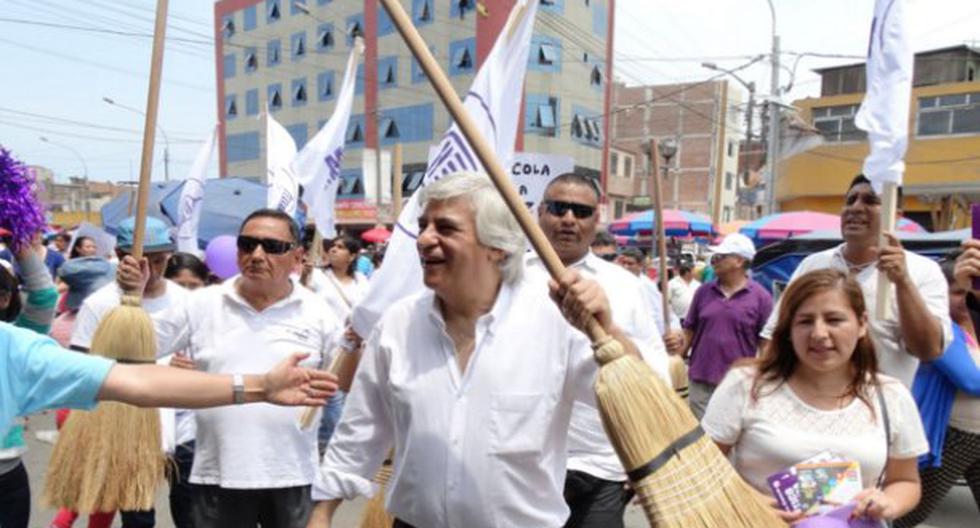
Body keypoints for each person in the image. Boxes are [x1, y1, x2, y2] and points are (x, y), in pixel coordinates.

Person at [308, 172, 637, 528]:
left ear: (496, 246)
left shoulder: (557, 323)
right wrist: (322, 514)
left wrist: (608, 330)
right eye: (423, 225)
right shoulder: (397, 326)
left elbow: (635, 395)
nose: (424, 239)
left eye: (445, 228)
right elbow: (361, 429)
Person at [121, 209, 341, 528]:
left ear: (297, 256)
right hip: (217, 475)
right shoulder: (203, 303)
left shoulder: (319, 312)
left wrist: (359, 342)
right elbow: (138, 347)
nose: (257, 255)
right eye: (247, 244)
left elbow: (343, 381)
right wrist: (133, 296)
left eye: (272, 246)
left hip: (293, 474)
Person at [702, 269, 928, 525]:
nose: (819, 334)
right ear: (788, 330)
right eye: (805, 321)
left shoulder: (891, 396)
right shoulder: (746, 385)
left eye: (834, 320)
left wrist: (888, 503)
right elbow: (700, 470)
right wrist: (748, 502)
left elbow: (906, 481)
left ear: (862, 324)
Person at [528, 173, 669, 528]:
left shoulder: (625, 286)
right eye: (559, 208)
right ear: (540, 211)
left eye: (581, 211)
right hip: (523, 462)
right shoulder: (505, 277)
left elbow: (655, 373)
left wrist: (643, 457)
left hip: (601, 465)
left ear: (596, 220)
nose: (569, 219)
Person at [761, 175, 950, 388]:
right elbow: (774, 336)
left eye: (870, 201)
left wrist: (902, 281)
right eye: (850, 200)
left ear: (896, 216)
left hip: (878, 411)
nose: (856, 208)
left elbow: (929, 350)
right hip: (810, 406)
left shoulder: (923, 271)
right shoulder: (813, 264)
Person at [69, 216, 188, 527]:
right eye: (143, 261)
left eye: (160, 260)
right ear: (122, 258)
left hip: (185, 429)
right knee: (137, 517)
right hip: (126, 427)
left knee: (193, 514)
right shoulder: (99, 304)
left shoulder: (187, 302)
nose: (151, 269)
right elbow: (81, 369)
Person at [894, 253, 980, 527]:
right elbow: (971, 381)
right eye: (956, 291)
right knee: (907, 515)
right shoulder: (942, 330)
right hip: (954, 436)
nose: (963, 298)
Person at [681, 232, 773, 419]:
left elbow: (766, 343)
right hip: (701, 379)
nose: (714, 261)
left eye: (720, 257)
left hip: (737, 384)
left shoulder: (761, 297)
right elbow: (689, 329)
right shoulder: (704, 292)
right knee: (701, 437)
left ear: (739, 261)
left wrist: (763, 378)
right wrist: (675, 358)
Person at [0, 236, 58, 528]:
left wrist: (18, 241)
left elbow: (45, 296)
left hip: (6, 475)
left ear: (5, 298)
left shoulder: (18, 339)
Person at [305, 235, 369, 452]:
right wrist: (304, 275)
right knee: (331, 399)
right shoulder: (317, 276)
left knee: (349, 402)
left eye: (341, 248)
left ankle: (328, 446)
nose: (333, 250)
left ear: (352, 256)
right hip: (326, 348)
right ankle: (333, 449)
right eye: (332, 246)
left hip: (354, 350)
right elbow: (302, 294)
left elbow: (368, 310)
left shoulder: (362, 280)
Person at [161, 252, 211, 528]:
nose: (187, 292)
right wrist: (165, 363)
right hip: (169, 426)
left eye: (194, 286)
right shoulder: (153, 318)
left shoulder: (218, 319)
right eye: (180, 285)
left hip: (207, 423)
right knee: (183, 495)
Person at [617, 246, 684, 349]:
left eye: (630, 263)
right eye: (623, 263)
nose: (626, 267)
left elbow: (664, 312)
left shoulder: (648, 286)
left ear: (640, 266)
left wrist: (675, 333)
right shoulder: (615, 282)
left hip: (651, 343)